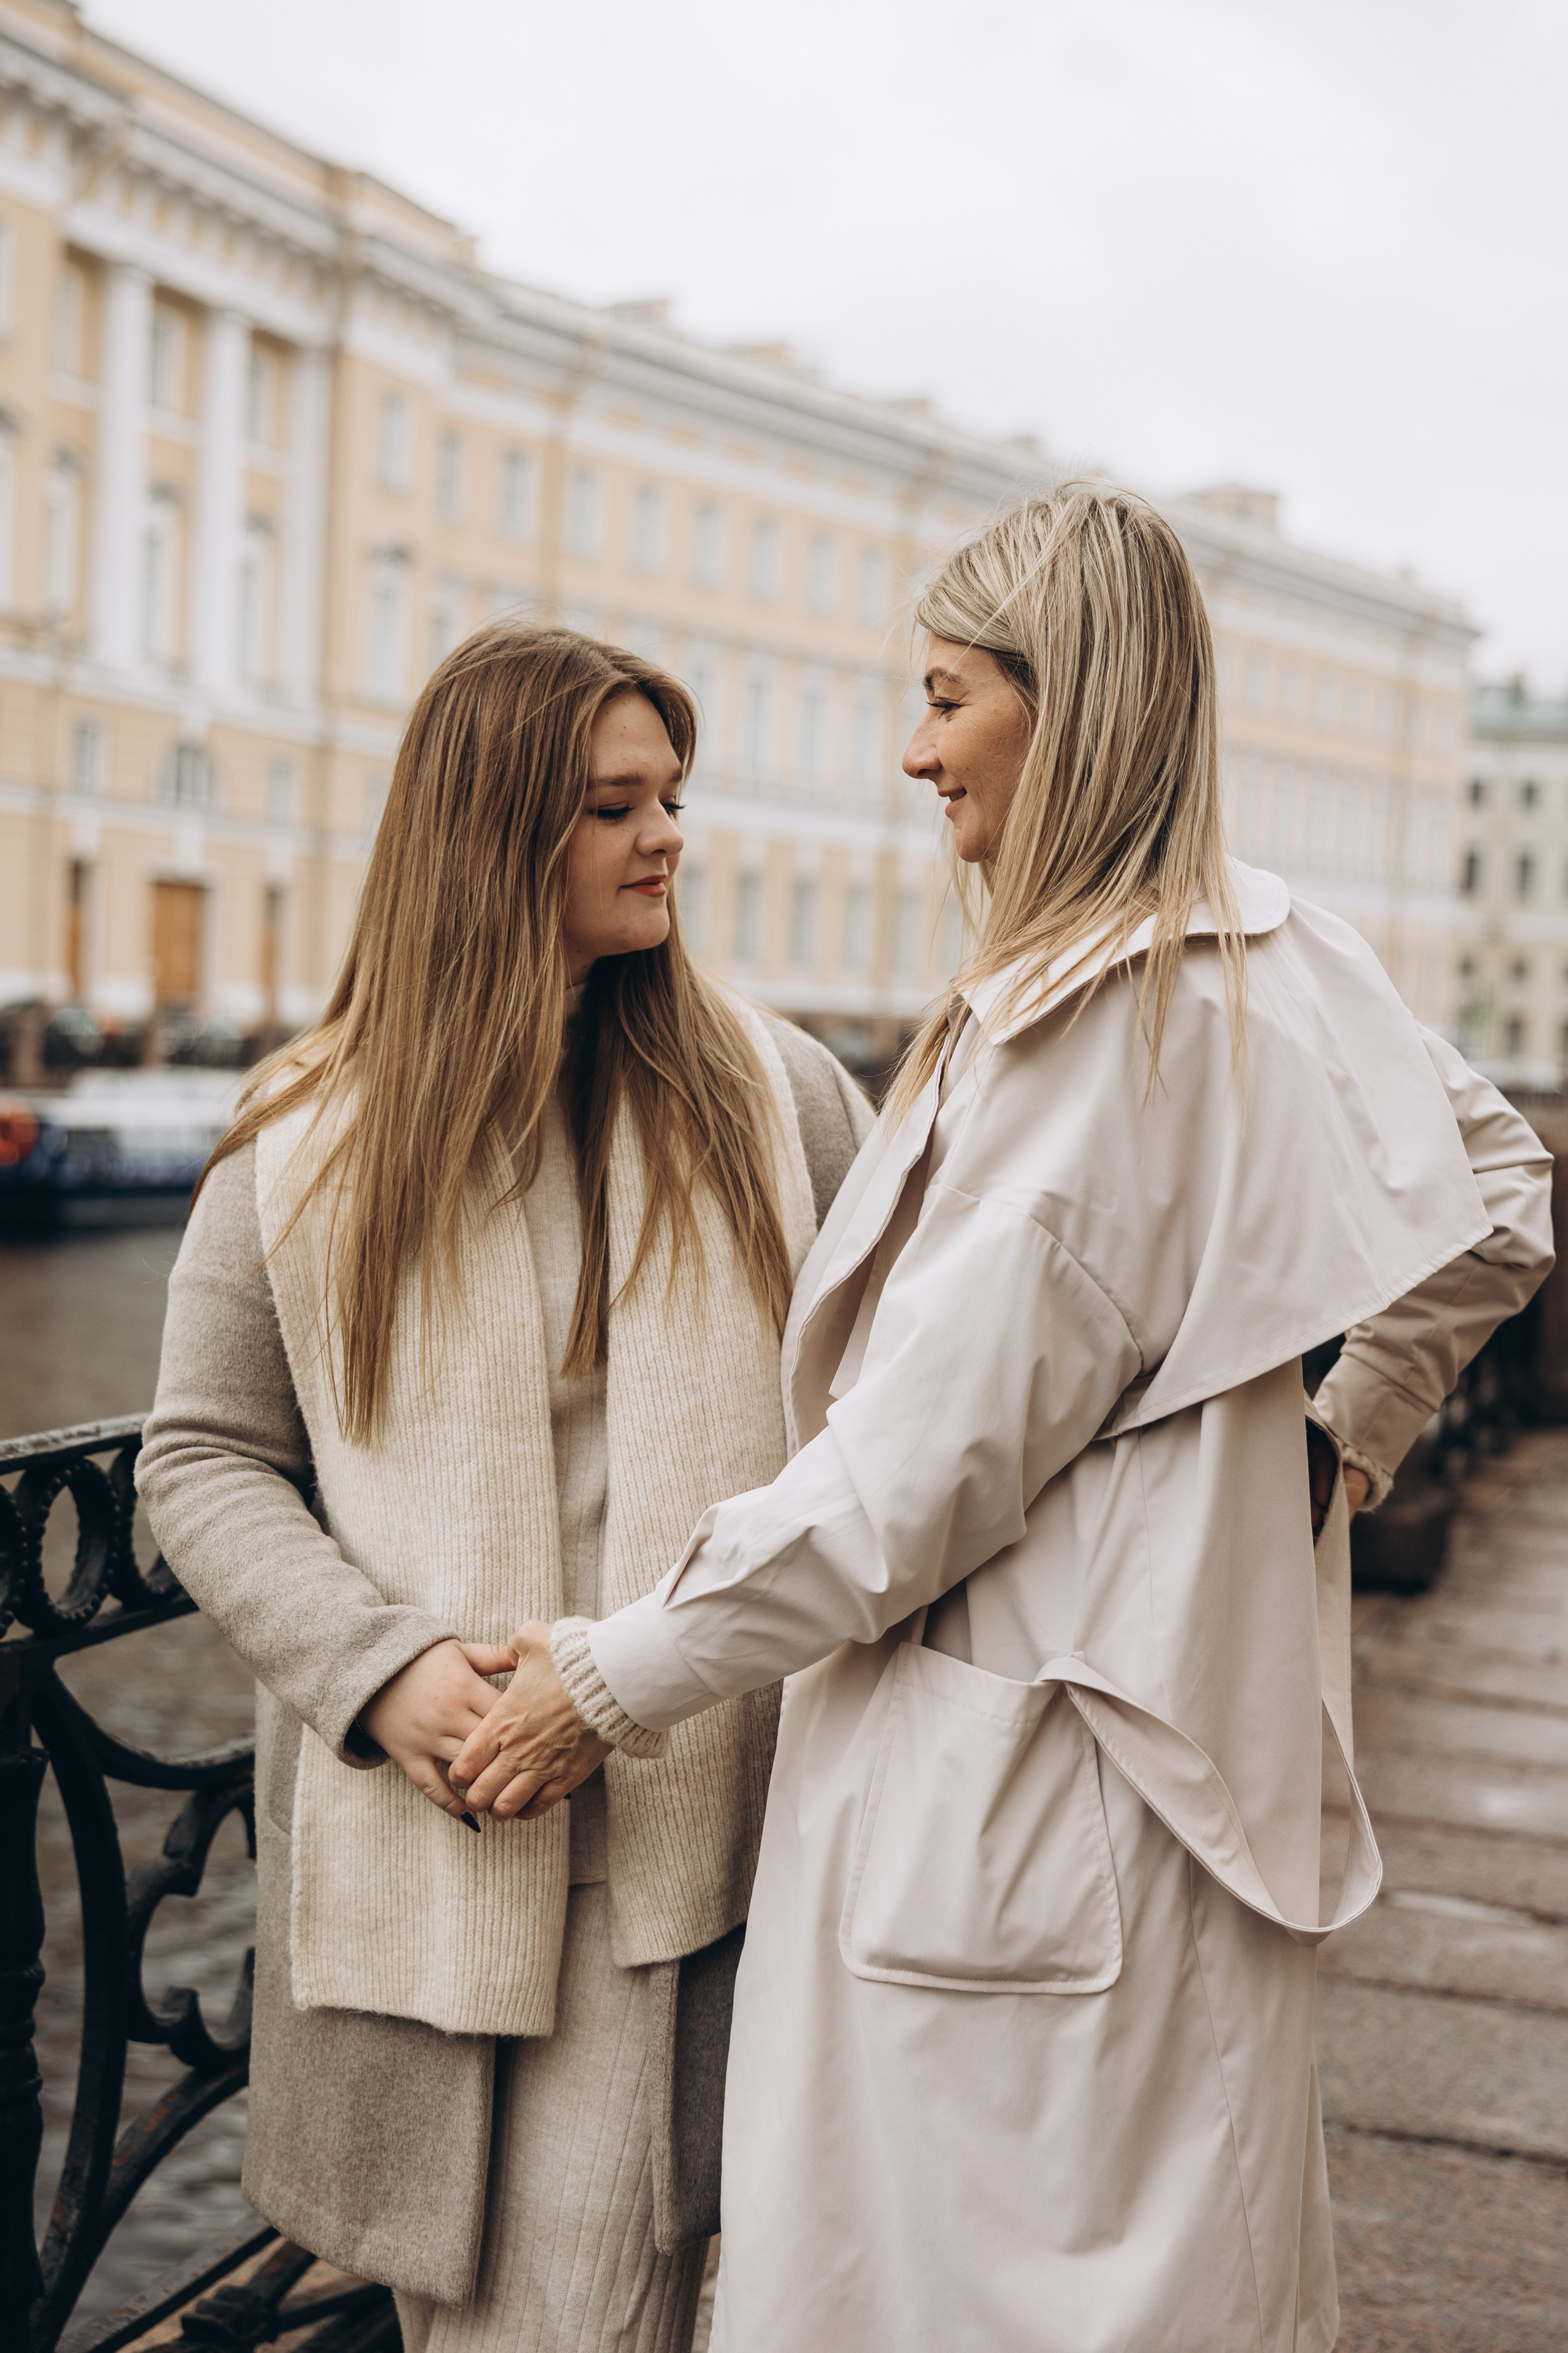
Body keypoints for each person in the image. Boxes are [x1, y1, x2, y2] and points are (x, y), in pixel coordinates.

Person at [448, 491, 1555, 2353]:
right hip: (1159, 1763)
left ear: (1076, 710)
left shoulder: (1086, 1053)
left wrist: (605, 1678)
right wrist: (1333, 1436)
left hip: (1028, 1803)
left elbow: (898, 1488)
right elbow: (1505, 1186)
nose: (913, 745)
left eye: (950, 695)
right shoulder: (1277, 958)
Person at [136, 624, 872, 2353]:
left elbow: (895, 1428)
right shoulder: (303, 1135)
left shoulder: (790, 1101)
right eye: (616, 803)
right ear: (492, 831)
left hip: (697, 1842)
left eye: (671, 795)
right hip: (438, 1826)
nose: (667, 834)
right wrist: (378, 1670)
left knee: (603, 2300)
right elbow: (202, 1453)